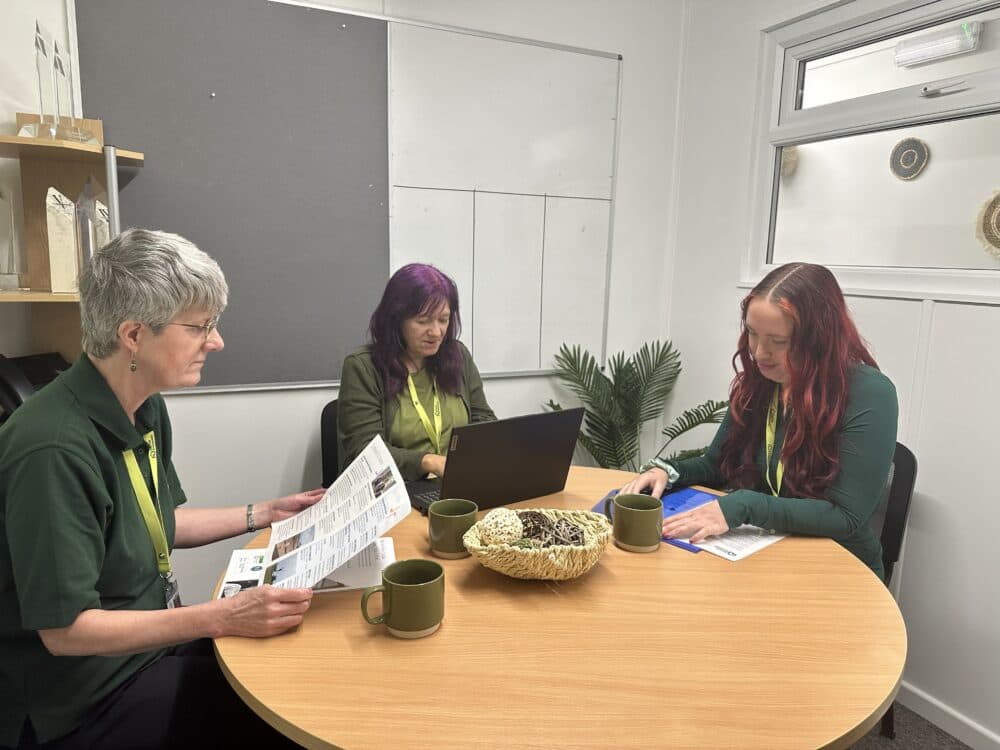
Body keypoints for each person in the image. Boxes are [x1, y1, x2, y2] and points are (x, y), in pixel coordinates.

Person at [0, 229, 325, 750]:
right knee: (277, 721)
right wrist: (221, 617)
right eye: (200, 327)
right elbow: (66, 633)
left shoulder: (144, 405)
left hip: (146, 654)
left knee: (291, 667)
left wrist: (267, 512)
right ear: (133, 336)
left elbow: (156, 525)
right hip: (80, 699)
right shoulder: (53, 449)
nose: (215, 342)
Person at [621, 262, 897, 579]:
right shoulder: (762, 383)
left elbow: (847, 516)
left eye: (778, 341)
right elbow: (717, 464)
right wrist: (668, 471)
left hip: (838, 569)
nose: (759, 353)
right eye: (752, 334)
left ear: (819, 339)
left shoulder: (871, 393)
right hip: (766, 554)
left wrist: (745, 506)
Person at [338, 263, 496, 481]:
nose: (436, 332)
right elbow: (365, 452)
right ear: (396, 320)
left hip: (457, 484)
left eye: (444, 319)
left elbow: (483, 419)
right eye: (423, 321)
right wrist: (429, 461)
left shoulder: (458, 355)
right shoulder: (363, 367)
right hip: (397, 492)